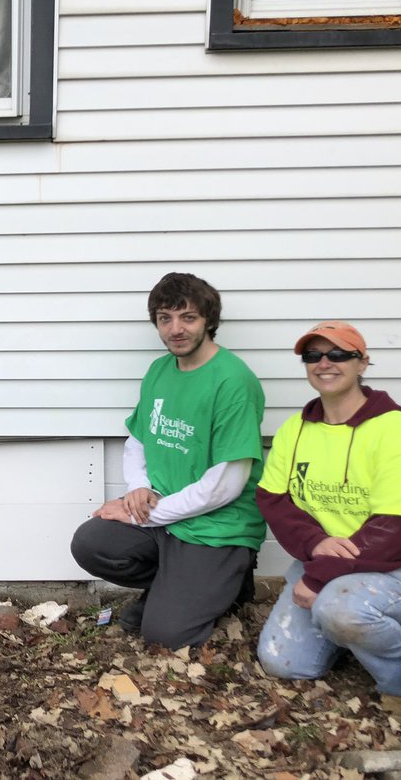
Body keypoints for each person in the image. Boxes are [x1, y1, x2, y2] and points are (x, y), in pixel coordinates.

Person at [256, 321, 401, 698]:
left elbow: (398, 530)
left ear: (362, 363)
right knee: (283, 662)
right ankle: (357, 635)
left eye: (338, 354)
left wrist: (317, 578)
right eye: (313, 355)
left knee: (340, 611)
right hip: (332, 564)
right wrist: (315, 543)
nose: (324, 363)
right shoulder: (295, 429)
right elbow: (272, 498)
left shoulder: (396, 432)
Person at [70, 272, 266, 649]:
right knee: (91, 542)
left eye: (188, 317)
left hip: (215, 526)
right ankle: (184, 587)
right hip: (166, 515)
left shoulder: (233, 382)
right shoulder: (160, 371)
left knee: (165, 635)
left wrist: (143, 513)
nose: (175, 329)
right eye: (165, 318)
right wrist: (138, 488)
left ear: (209, 320)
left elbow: (225, 486)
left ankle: (229, 581)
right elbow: (139, 439)